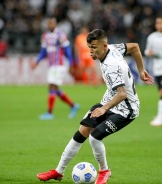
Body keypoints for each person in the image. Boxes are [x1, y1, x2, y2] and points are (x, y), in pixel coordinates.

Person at [36, 29, 154, 184]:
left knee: (94, 137)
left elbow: (122, 94)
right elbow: (135, 47)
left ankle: (105, 171)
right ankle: (58, 171)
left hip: (127, 109)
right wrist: (141, 70)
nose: (90, 51)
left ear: (104, 46)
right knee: (82, 132)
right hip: (109, 101)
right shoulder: (113, 48)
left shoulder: (112, 65)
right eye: (89, 47)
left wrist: (104, 109)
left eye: (94, 47)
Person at [31, 17, 79, 120]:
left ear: (55, 24)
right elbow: (43, 51)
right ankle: (73, 106)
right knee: (55, 89)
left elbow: (67, 50)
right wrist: (37, 62)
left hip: (59, 65)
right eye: (49, 23)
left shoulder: (60, 35)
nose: (50, 25)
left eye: (52, 23)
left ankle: (50, 113)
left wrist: (71, 64)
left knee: (52, 86)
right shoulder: (45, 36)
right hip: (52, 65)